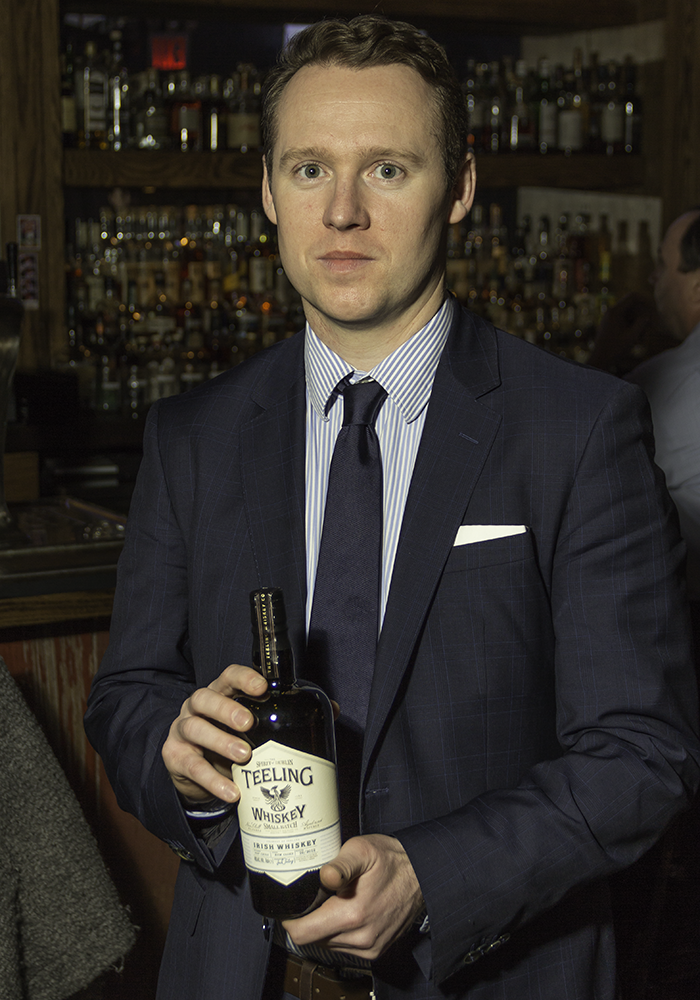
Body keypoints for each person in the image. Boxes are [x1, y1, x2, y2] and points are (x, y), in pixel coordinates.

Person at [84, 17, 700, 1000]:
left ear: (458, 187)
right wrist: (174, 758)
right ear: (267, 192)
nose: (341, 212)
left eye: (386, 170)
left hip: (487, 971)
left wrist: (429, 874)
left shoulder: (577, 429)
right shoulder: (191, 436)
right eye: (309, 169)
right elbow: (125, 700)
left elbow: (641, 753)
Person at [590, 209, 700, 605]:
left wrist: (601, 358)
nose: (654, 280)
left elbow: (578, 453)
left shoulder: (660, 383)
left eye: (662, 265)